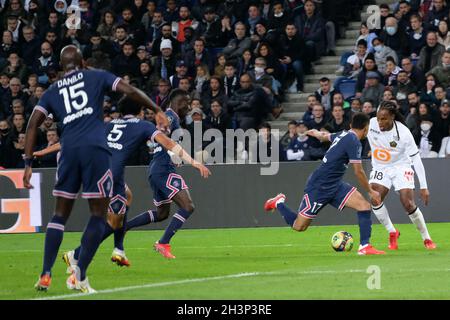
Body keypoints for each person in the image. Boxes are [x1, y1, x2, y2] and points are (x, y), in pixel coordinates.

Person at [23, 45, 167, 293]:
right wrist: (157, 110)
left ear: (61, 66)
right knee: (98, 215)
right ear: (83, 62)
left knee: (59, 215)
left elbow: (32, 124)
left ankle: (45, 273)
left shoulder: (52, 91)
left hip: (67, 151)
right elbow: (129, 90)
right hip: (94, 150)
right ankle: (79, 276)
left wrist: (27, 163)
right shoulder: (96, 76)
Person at [36, 95, 210, 270]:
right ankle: (76, 256)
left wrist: (43, 151)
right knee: (113, 222)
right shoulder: (143, 125)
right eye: (143, 109)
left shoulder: (109, 124)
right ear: (138, 111)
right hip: (111, 175)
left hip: (97, 171)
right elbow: (169, 143)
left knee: (128, 201)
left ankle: (117, 249)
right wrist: (193, 162)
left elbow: (74, 139)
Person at [264, 113, 385, 255]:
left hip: (335, 184)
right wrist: (371, 191)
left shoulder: (344, 134)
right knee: (299, 226)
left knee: (364, 206)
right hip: (319, 186)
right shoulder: (354, 141)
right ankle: (279, 203)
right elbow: (358, 171)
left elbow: (324, 136)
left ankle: (365, 246)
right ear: (366, 128)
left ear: (351, 125)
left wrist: (316, 133)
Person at [118, 89, 211, 259]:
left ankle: (124, 227)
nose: (189, 107)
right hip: (163, 169)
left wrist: (172, 155)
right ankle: (163, 243)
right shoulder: (170, 117)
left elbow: (156, 141)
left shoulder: (171, 118)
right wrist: (193, 162)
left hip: (156, 169)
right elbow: (162, 138)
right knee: (188, 206)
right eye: (187, 103)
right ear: (180, 102)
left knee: (162, 213)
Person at [367, 101, 436, 250]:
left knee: (408, 203)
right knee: (375, 198)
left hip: (401, 166)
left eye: (384, 119)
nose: (380, 122)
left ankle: (427, 238)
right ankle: (392, 232)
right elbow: (352, 132)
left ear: (392, 117)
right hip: (381, 167)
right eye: (378, 118)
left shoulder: (403, 132)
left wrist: (424, 187)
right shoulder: (371, 124)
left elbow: (416, 159)